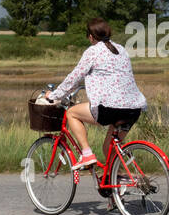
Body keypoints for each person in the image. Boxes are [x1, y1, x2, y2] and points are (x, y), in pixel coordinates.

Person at [43, 18, 147, 170]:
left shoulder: (93, 51)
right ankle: (116, 185)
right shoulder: (121, 49)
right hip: (134, 108)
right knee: (109, 148)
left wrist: (53, 95)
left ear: (91, 37)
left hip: (109, 109)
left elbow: (74, 78)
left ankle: (86, 154)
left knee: (71, 113)